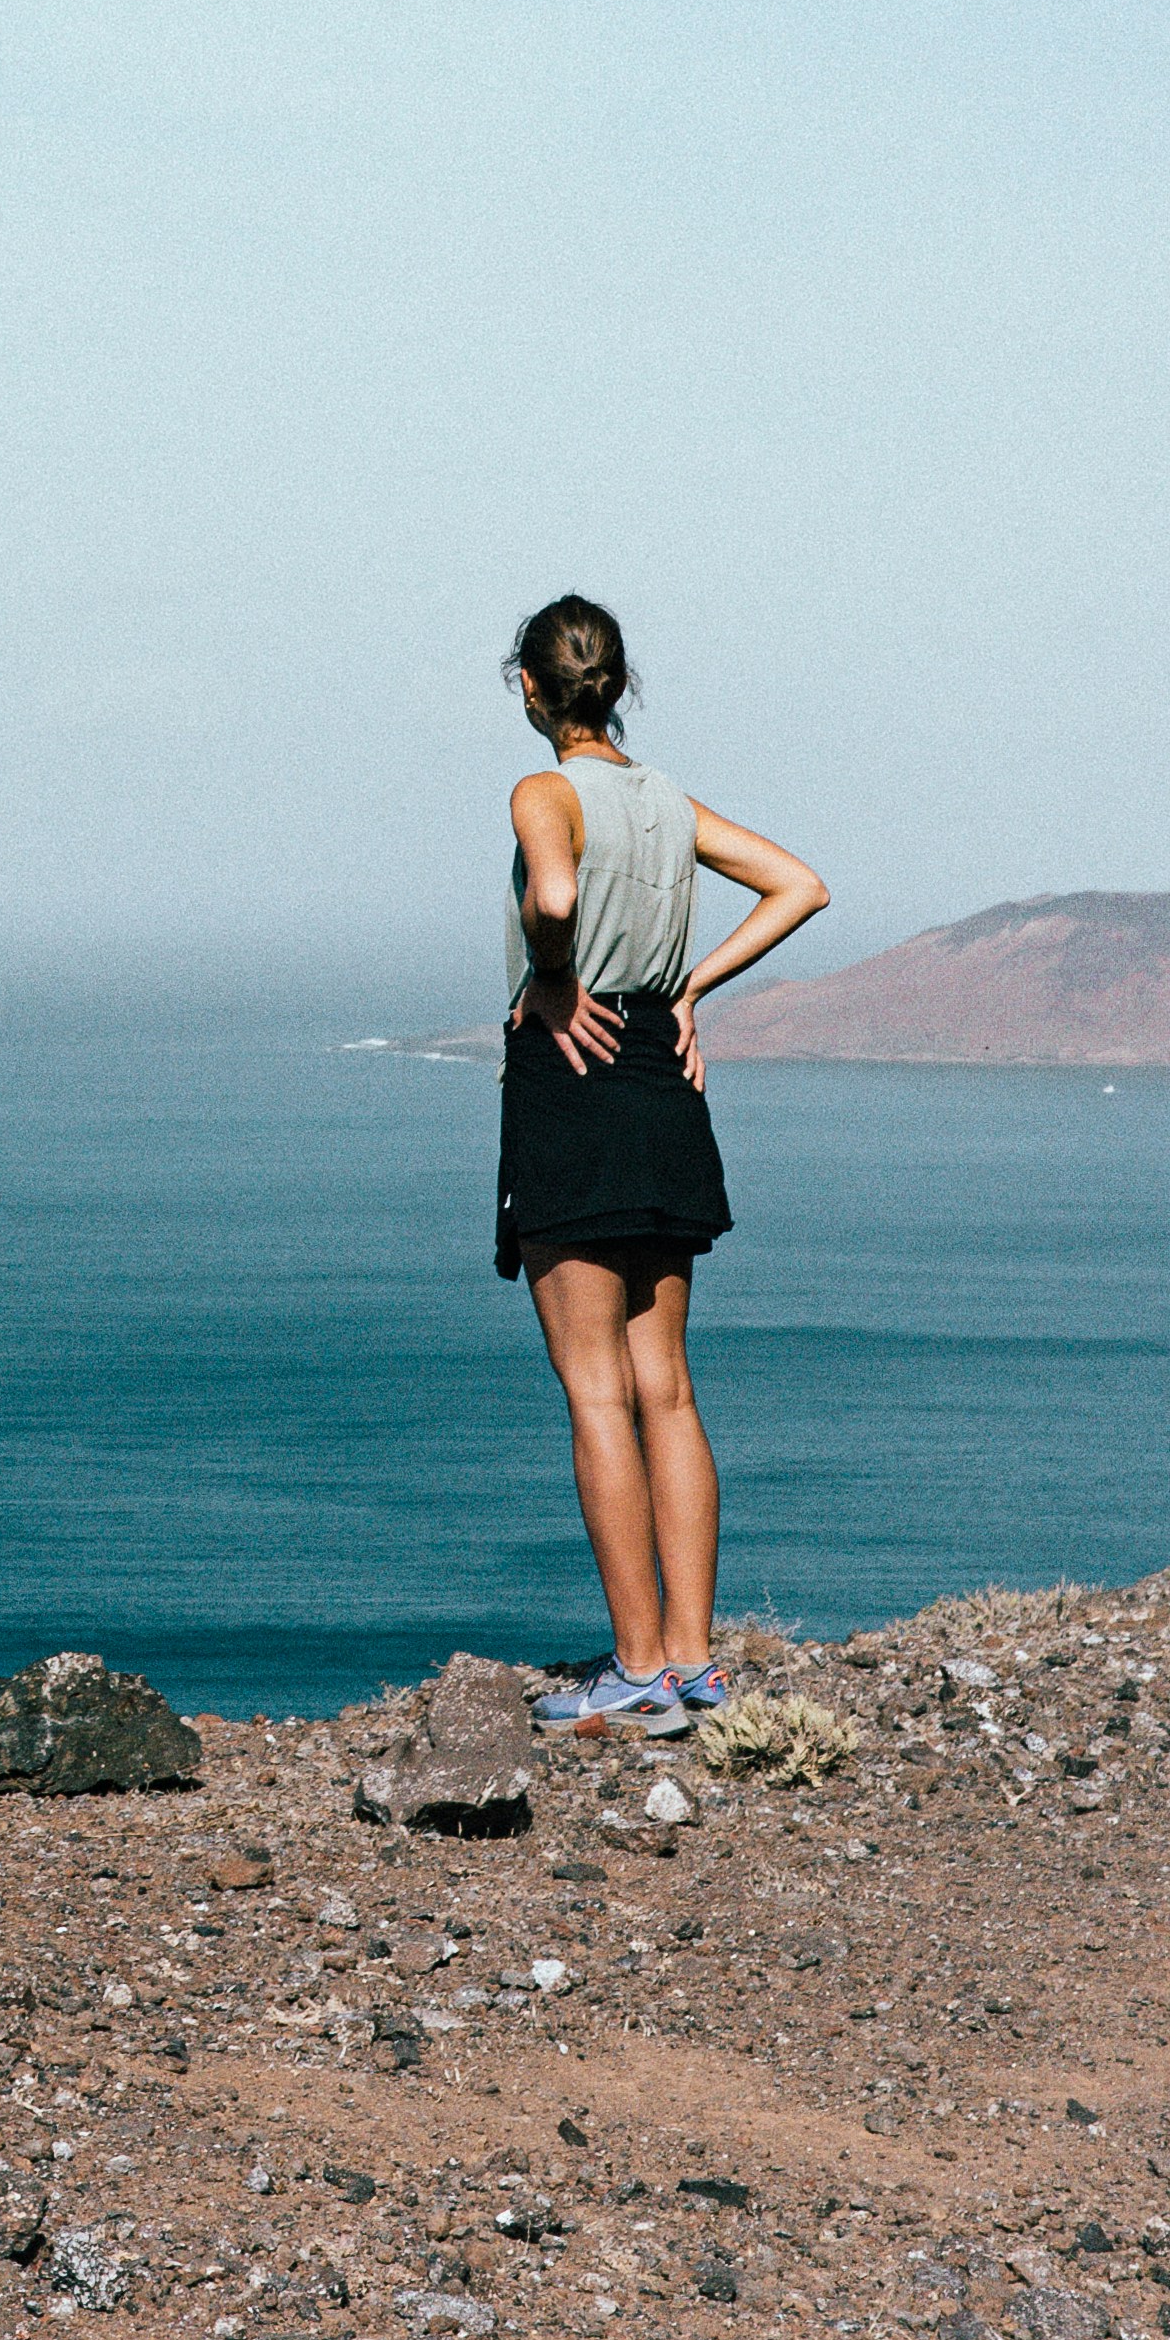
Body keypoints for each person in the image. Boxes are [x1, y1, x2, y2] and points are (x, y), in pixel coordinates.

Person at [492, 593, 827, 1739]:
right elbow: (799, 884)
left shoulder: (545, 792)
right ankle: (692, 1663)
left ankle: (636, 1673)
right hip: (659, 1078)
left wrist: (548, 976)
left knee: (594, 1392)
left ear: (529, 688)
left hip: (571, 1075)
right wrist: (689, 987)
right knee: (666, 1387)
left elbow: (553, 892)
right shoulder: (667, 803)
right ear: (617, 685)